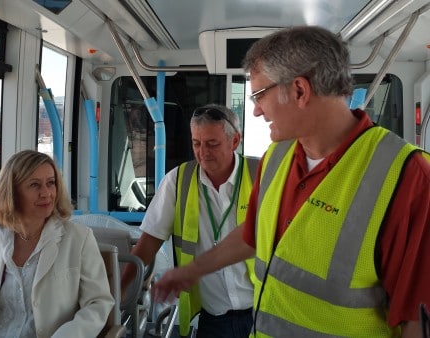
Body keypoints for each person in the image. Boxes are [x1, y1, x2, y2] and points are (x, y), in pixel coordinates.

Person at [152, 25, 430, 337]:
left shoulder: (408, 176)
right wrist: (193, 270)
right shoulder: (276, 157)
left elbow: (417, 319)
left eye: (259, 95)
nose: (256, 110)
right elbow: (253, 233)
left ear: (299, 90)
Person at [121, 103, 257, 337]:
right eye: (196, 143)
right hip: (213, 319)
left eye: (212, 144)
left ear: (235, 141)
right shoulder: (177, 182)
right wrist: (117, 295)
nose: (203, 152)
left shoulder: (261, 174)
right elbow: (148, 243)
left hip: (263, 312)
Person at [0, 150, 114, 338]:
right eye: (34, 185)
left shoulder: (79, 238)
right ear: (12, 192)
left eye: (51, 183)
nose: (46, 193)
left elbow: (98, 303)